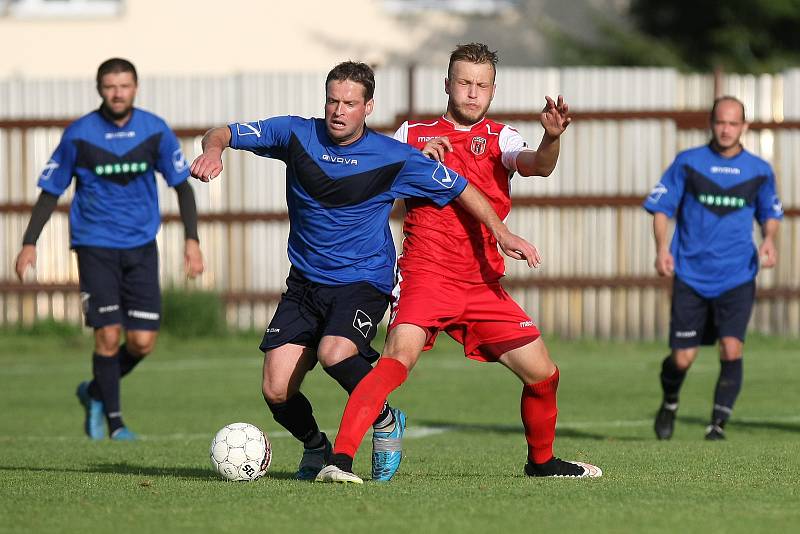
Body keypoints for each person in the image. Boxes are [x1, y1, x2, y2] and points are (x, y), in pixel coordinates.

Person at [189, 61, 539, 481]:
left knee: (335, 352)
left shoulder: (394, 157)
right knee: (276, 389)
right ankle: (315, 446)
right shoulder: (295, 134)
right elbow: (224, 131)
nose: (339, 110)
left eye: (350, 103)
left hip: (363, 280)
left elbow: (462, 188)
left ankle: (385, 418)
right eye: (333, 101)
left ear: (368, 107)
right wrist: (213, 149)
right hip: (304, 282)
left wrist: (502, 232)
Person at [316, 43, 602, 484]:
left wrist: (551, 138)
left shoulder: (501, 137)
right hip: (426, 275)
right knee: (397, 359)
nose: (472, 93)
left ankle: (541, 463)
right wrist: (412, 159)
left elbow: (537, 167)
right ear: (447, 84)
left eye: (481, 86)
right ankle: (340, 461)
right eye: (464, 83)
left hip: (482, 283)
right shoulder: (412, 134)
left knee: (543, 374)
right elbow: (370, 180)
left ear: (492, 91)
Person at [14, 58, 205, 441]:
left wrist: (192, 240)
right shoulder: (79, 135)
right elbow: (51, 191)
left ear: (135, 87)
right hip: (94, 245)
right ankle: (115, 422)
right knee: (107, 335)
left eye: (124, 86)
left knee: (142, 342)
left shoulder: (154, 130)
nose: (117, 93)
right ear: (100, 89)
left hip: (141, 247)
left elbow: (182, 185)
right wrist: (29, 242)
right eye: (110, 86)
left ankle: (94, 391)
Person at [645, 96, 783, 441]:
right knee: (682, 359)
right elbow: (662, 208)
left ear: (744, 127)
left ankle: (717, 424)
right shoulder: (688, 163)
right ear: (711, 123)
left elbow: (770, 214)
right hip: (691, 273)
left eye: (733, 123)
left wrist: (768, 240)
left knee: (732, 347)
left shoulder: (760, 170)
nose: (726, 129)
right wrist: (662, 248)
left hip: (737, 275)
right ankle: (670, 402)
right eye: (721, 122)